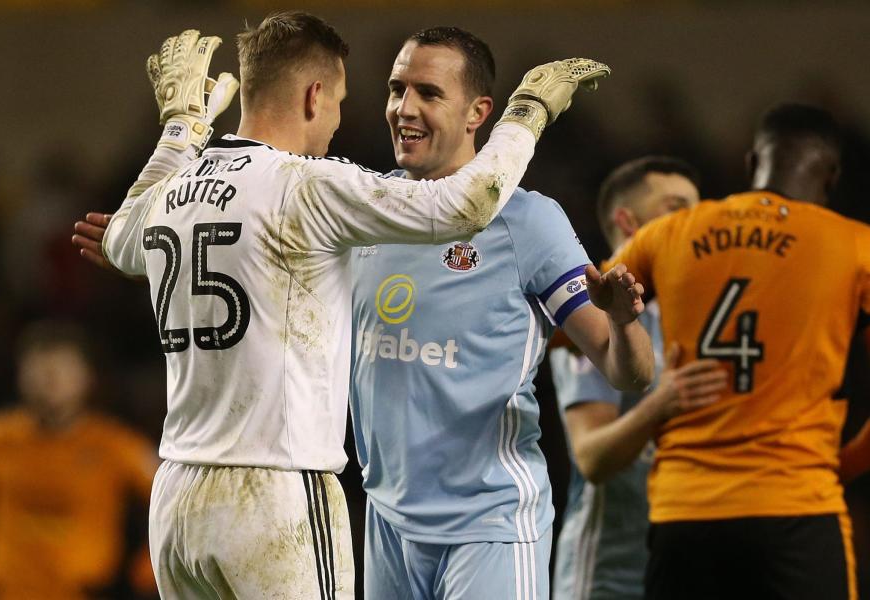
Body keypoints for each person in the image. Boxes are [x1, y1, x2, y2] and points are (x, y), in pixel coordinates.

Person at [72, 12, 621, 599]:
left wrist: (181, 125)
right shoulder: (308, 186)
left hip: (178, 494)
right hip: (276, 488)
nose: (342, 119)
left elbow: (120, 239)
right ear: (314, 97)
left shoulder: (177, 193)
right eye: (339, 100)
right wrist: (527, 113)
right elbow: (463, 206)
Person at [349, 28, 654, 600]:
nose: (404, 109)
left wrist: (622, 321)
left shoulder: (528, 223)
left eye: (428, 93)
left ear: (478, 113)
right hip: (386, 524)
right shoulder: (366, 210)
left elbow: (627, 371)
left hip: (489, 526)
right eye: (396, 89)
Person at [606, 103, 862, 600]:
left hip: (685, 512)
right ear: (831, 177)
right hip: (795, 504)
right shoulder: (853, 245)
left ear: (751, 164)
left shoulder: (666, 234)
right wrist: (845, 462)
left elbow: (584, 308)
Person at [548, 156, 725, 600]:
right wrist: (659, 405)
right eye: (676, 208)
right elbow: (591, 458)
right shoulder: (593, 316)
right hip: (608, 574)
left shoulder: (697, 319)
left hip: (684, 566)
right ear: (628, 223)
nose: (693, 223)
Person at [0, 321, 158, 599]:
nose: (50, 379)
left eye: (62, 368)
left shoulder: (116, 445)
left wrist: (146, 572)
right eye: (40, 368)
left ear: (87, 377)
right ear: (21, 374)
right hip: (7, 592)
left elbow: (171, 503)